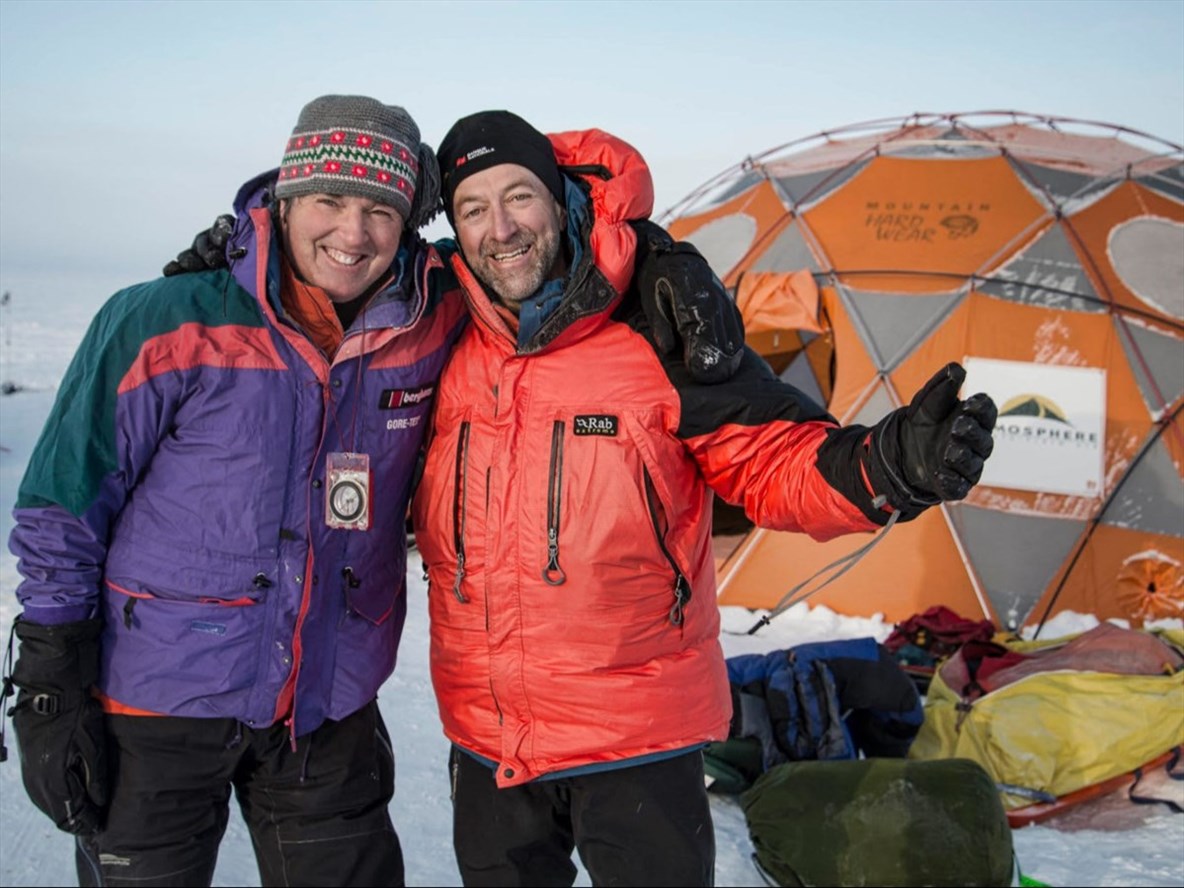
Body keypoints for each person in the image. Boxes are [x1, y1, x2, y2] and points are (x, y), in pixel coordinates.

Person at [2, 96, 742, 888]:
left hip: (328, 709)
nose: (353, 235)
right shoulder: (164, 323)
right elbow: (63, 511)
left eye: (381, 211)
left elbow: (537, 261)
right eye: (329, 200)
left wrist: (657, 259)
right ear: (286, 198)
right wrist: (50, 675)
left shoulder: (434, 312)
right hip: (155, 706)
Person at [410, 111, 998, 887]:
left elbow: (769, 459)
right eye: (474, 208)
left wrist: (887, 468)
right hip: (490, 744)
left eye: (519, 196)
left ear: (560, 197)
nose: (501, 228)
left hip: (638, 739)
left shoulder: (650, 328)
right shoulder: (437, 336)